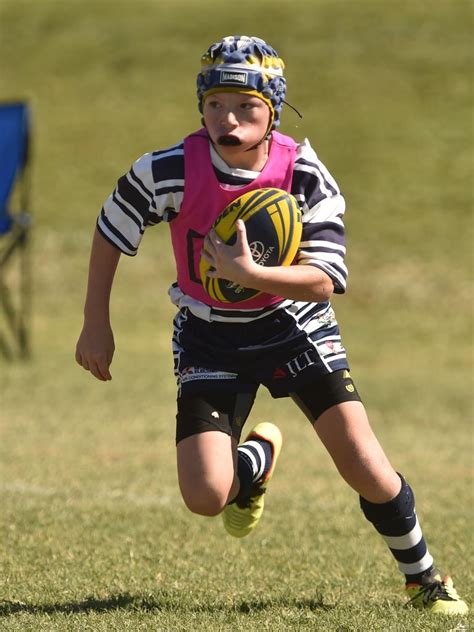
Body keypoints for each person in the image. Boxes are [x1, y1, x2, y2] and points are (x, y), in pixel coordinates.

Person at [75, 35, 468, 615]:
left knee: (363, 463)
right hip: (210, 333)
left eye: (245, 107)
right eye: (215, 104)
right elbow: (110, 231)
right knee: (206, 497)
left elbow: (327, 278)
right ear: (200, 105)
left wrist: (251, 272)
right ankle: (253, 465)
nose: (227, 119)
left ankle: (425, 579)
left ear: (273, 110)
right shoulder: (168, 168)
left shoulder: (303, 172)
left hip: (295, 327)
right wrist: (94, 324)